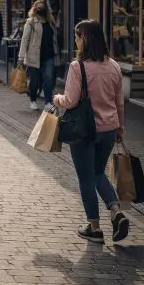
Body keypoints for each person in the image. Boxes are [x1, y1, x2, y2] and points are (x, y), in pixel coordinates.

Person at [54, 20, 129, 244]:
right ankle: (116, 212)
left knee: (86, 177)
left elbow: (70, 100)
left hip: (85, 131)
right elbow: (120, 103)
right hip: (109, 129)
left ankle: (94, 227)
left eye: (77, 36)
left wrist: (56, 98)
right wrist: (120, 128)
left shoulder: (78, 67)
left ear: (84, 39)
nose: (75, 40)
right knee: (98, 173)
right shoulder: (114, 66)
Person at [18, 0, 60, 111]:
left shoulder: (51, 22)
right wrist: (21, 57)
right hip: (34, 56)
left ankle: (47, 102)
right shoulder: (31, 22)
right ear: (35, 9)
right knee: (34, 80)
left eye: (43, 7)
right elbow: (25, 39)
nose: (41, 9)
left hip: (49, 55)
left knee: (49, 80)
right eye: (38, 7)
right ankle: (33, 100)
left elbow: (55, 39)